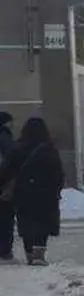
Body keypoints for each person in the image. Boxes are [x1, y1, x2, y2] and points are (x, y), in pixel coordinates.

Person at [0, 118, 64, 266]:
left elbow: (6, 170)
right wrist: (57, 189)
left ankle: (30, 252)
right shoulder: (49, 149)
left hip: (24, 193)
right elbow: (58, 172)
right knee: (43, 222)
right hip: (46, 194)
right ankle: (39, 253)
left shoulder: (18, 148)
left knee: (27, 222)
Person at [0, 111, 15, 261]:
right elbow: (11, 162)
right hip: (4, 184)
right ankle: (4, 251)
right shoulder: (6, 138)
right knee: (5, 218)